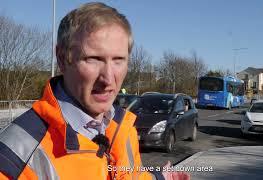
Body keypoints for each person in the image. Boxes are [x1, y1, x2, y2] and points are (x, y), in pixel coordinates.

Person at [0, 2, 189, 180]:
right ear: (62, 58)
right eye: (93, 59)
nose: (108, 79)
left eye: (118, 60)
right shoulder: (16, 157)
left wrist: (160, 178)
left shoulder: (122, 127)